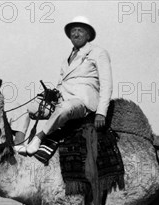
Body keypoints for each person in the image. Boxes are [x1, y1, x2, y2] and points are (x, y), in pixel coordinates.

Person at [15, 16, 113, 155]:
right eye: (73, 30)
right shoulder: (66, 59)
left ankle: (39, 138)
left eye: (80, 30)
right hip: (61, 99)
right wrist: (52, 94)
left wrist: (101, 113)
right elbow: (61, 83)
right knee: (27, 107)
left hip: (82, 103)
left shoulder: (99, 53)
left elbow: (107, 84)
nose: (76, 34)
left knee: (65, 108)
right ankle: (18, 143)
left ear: (88, 35)